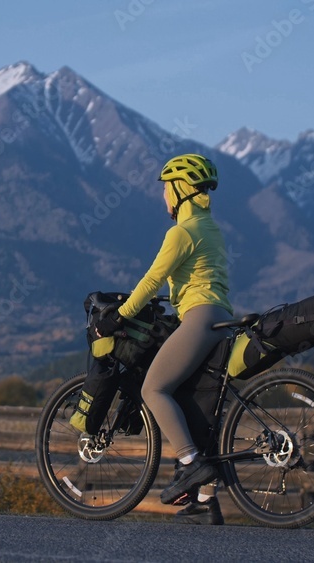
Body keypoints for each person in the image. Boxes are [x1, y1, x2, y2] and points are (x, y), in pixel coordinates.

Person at [94, 153, 233, 525]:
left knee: (153, 390)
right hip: (220, 317)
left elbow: (152, 278)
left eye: (166, 189)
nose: (164, 197)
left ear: (180, 191)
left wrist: (119, 316)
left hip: (199, 318)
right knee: (196, 405)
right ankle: (206, 500)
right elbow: (195, 278)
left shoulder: (181, 233)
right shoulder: (210, 227)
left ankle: (190, 463)